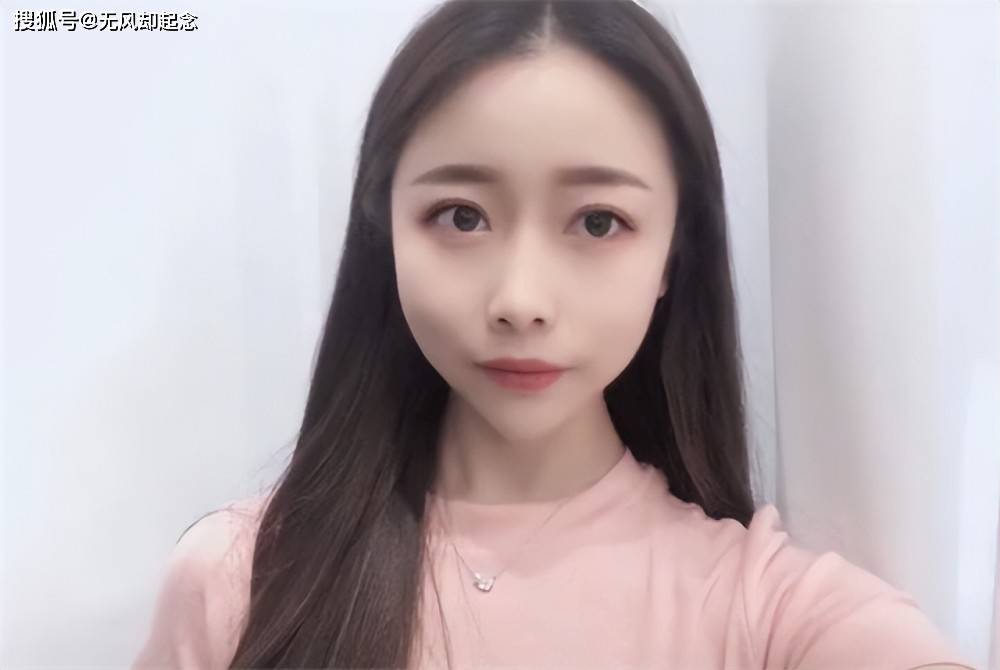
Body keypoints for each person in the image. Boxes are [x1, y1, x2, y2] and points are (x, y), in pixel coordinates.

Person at [131, 1, 978, 668]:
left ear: (673, 255)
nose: (521, 300)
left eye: (599, 221)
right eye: (461, 216)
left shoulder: (762, 609)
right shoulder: (241, 581)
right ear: (383, 232)